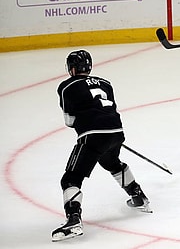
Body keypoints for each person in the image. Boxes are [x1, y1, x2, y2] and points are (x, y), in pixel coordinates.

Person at [52, 50, 151, 242]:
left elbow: (70, 121)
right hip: (116, 131)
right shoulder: (106, 83)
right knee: (112, 162)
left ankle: (73, 220)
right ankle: (138, 196)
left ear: (71, 68)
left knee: (71, 178)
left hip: (93, 135)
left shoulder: (66, 86)